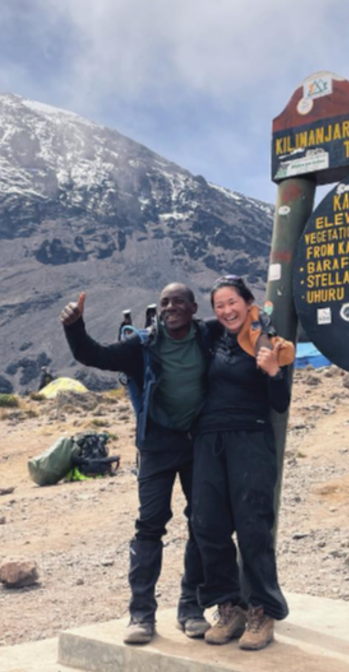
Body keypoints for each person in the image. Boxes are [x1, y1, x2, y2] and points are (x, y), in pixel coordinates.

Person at [61, 284, 215, 645]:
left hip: (198, 444)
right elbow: (92, 355)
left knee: (203, 522)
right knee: (149, 525)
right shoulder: (142, 345)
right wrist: (74, 326)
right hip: (157, 447)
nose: (171, 307)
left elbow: (242, 327)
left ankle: (191, 608)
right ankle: (141, 615)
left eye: (179, 301)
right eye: (165, 302)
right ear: (159, 310)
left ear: (193, 308)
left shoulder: (208, 336)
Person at [192, 275, 294, 652]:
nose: (226, 310)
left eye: (232, 302)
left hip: (250, 438)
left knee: (253, 525)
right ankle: (229, 606)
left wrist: (272, 371)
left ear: (248, 301)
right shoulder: (211, 337)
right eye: (219, 305)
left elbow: (279, 402)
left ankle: (262, 611)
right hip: (208, 440)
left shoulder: (265, 340)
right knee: (207, 524)